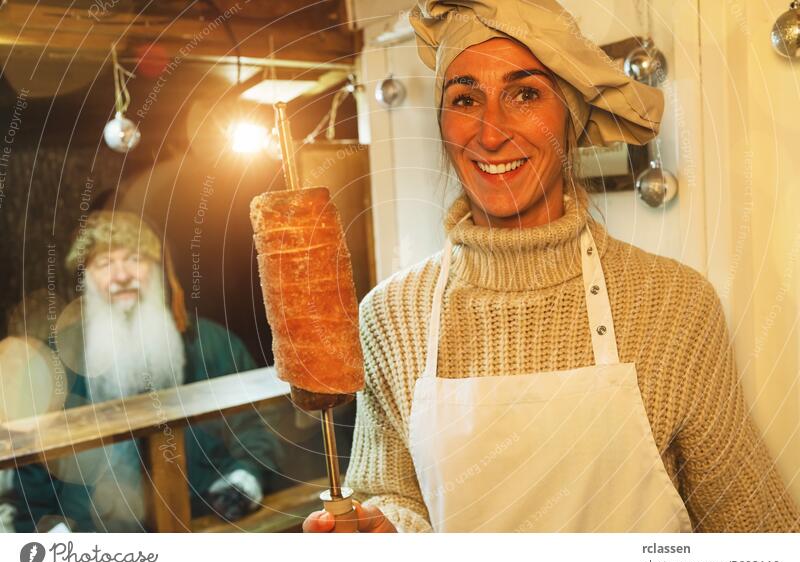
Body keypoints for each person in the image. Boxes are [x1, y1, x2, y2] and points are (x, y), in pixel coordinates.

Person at [304, 0, 800, 533]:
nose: (490, 133)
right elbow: (394, 496)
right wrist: (384, 530)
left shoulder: (673, 306)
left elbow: (755, 533)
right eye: (465, 98)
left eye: (525, 94)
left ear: (571, 118)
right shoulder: (390, 315)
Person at [13, 211, 281, 532]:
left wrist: (246, 474)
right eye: (105, 264)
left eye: (135, 258)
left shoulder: (212, 344)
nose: (122, 275)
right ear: (86, 279)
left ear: (158, 269)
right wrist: (51, 529)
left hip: (203, 523)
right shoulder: (54, 363)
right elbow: (32, 467)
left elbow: (254, 426)